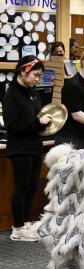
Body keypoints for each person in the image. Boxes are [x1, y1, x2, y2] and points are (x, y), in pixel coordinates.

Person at [2, 56, 52, 241]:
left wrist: (44, 123)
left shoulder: (33, 92)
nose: (37, 79)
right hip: (20, 147)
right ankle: (18, 228)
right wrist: (37, 123)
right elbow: (12, 126)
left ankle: (26, 222)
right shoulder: (11, 94)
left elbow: (37, 117)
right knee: (21, 187)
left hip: (35, 145)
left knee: (32, 187)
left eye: (39, 76)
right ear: (24, 71)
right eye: (35, 75)